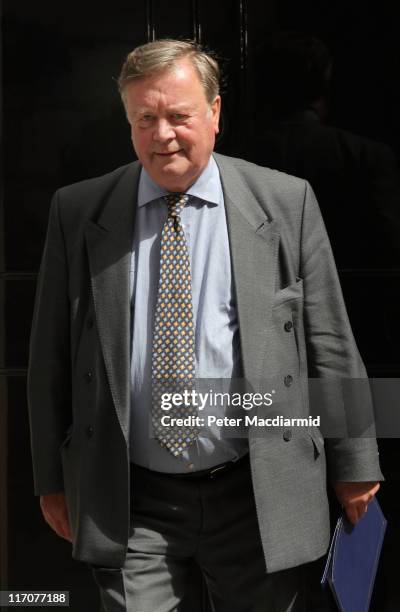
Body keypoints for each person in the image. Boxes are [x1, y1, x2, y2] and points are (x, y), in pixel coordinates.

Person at [28, 39, 383, 612]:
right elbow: (50, 354)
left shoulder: (284, 201)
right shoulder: (79, 211)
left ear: (215, 113)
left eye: (178, 116)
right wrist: (49, 477)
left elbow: (329, 341)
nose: (162, 134)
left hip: (255, 489)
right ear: (128, 122)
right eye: (145, 119)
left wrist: (356, 464)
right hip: (130, 499)